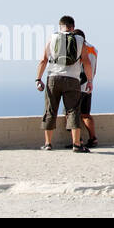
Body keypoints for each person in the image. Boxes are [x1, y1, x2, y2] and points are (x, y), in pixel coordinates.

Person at [35, 16, 92, 152]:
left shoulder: (53, 37)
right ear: (72, 27)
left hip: (53, 78)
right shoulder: (79, 40)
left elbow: (43, 60)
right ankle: (76, 144)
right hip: (73, 79)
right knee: (73, 111)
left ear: (60, 26)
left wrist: (38, 79)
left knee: (50, 110)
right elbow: (86, 62)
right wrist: (89, 81)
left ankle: (48, 143)